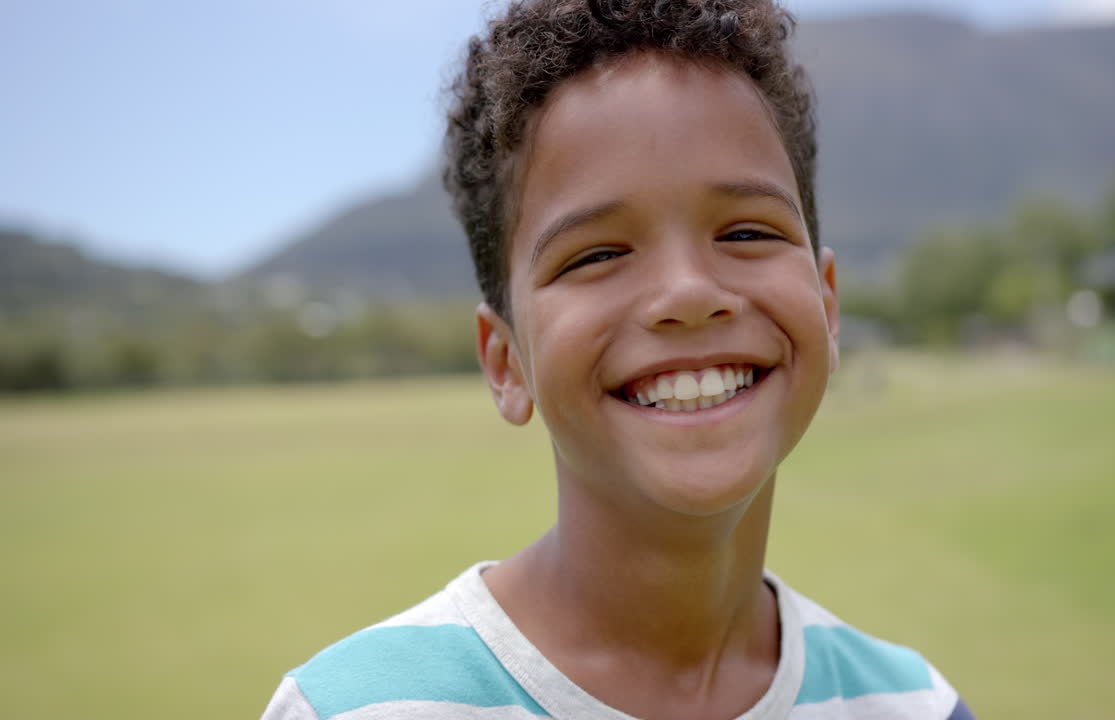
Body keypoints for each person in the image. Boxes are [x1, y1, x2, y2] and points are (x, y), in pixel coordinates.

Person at [262, 1, 976, 718]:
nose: (689, 294)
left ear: (826, 305)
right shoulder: (358, 710)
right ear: (506, 362)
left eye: (747, 232)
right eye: (597, 254)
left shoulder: (913, 704)